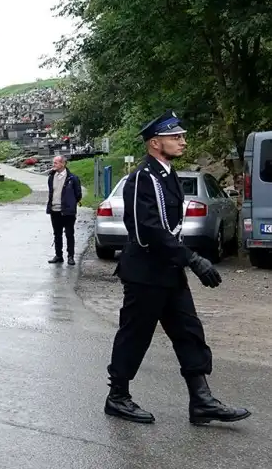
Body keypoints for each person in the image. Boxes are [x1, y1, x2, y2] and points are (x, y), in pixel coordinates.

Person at [104, 111, 250, 425]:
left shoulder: (167, 174)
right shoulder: (143, 178)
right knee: (135, 335)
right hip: (145, 273)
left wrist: (184, 260)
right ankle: (117, 396)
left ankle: (201, 400)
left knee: (189, 331)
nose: (183, 141)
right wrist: (192, 259)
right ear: (155, 143)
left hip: (169, 271)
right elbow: (147, 231)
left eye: (182, 136)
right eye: (175, 137)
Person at [46, 154, 82, 265]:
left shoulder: (72, 178)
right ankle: (58, 255)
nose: (53, 165)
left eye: (56, 163)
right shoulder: (51, 177)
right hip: (54, 210)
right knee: (57, 234)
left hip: (68, 211)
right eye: (53, 162)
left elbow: (78, 194)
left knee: (69, 234)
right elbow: (51, 192)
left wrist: (70, 203)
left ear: (63, 164)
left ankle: (70, 256)